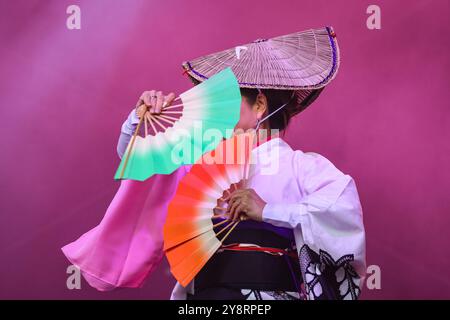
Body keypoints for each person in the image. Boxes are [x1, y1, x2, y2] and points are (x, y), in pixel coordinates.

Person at [63, 26, 366, 300]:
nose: (216, 115)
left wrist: (268, 211)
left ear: (259, 104)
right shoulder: (202, 164)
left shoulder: (304, 167)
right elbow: (139, 165)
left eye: (227, 103)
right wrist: (142, 120)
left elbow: (342, 217)